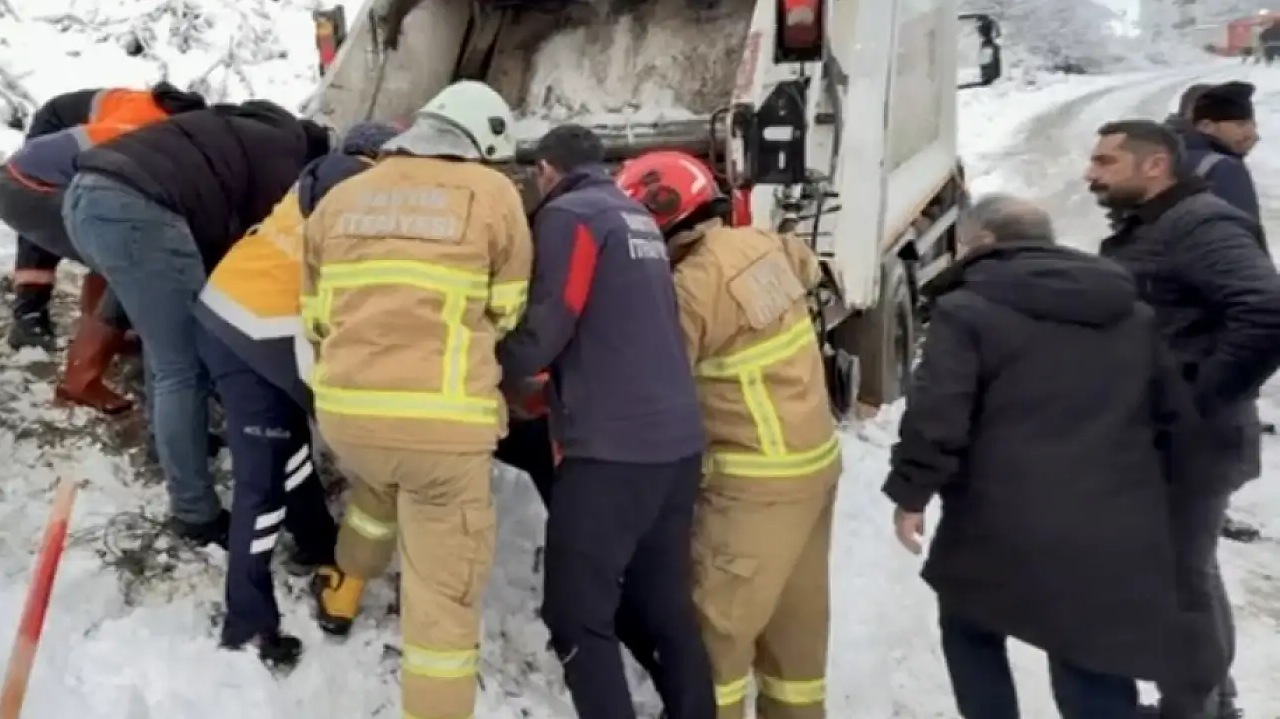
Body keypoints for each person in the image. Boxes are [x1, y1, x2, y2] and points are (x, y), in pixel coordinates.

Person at [885, 194, 1197, 719]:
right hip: (1112, 523)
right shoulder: (1133, 313)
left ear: (982, 241)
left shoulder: (966, 310)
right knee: (1093, 655)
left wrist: (912, 493)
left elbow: (938, 415)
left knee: (970, 627)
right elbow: (1174, 416)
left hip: (1000, 518)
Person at [303, 80, 533, 719]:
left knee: (375, 495)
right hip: (442, 429)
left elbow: (317, 315)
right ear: (480, 143)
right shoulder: (493, 195)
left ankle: (344, 593)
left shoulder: (342, 197)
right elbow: (508, 310)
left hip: (348, 417)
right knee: (440, 607)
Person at [491, 129, 711, 719]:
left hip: (613, 455)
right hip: (676, 447)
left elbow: (547, 326)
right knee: (664, 608)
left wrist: (488, 361)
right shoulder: (637, 218)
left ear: (545, 170)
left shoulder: (571, 216)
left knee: (574, 616)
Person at [616, 150, 839, 719]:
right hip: (813, 468)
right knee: (796, 633)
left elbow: (650, 381)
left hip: (754, 483)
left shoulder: (689, 288)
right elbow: (811, 266)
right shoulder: (762, 244)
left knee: (716, 635)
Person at [64, 100, 333, 546]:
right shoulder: (287, 162)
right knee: (184, 365)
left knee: (165, 344)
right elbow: (258, 252)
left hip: (87, 195)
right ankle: (194, 512)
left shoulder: (243, 132)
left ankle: (166, 443)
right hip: (138, 208)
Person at [1087, 119, 1280, 719]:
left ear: (1154, 166)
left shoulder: (1198, 224)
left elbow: (1267, 312)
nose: (1090, 173)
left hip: (1195, 438)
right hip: (1169, 436)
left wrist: (1195, 397)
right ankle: (1211, 703)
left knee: (1182, 582)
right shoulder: (1155, 226)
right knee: (1186, 573)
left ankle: (1192, 710)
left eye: (1105, 162)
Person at [195, 120, 399, 671]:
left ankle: (315, 538)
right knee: (261, 484)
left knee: (291, 442)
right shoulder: (356, 184)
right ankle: (248, 620)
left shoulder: (318, 174)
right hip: (260, 330)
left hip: (229, 311)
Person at [0, 83, 205, 350]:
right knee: (53, 207)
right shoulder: (137, 130)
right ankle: (30, 315)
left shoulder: (168, 130)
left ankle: (106, 322)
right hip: (61, 127)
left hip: (89, 132)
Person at [1181, 81, 1263, 238]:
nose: (1253, 135)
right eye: (1240, 125)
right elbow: (1242, 235)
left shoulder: (1172, 156)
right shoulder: (1223, 167)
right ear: (1206, 126)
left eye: (1253, 125)